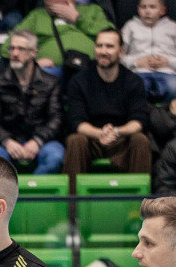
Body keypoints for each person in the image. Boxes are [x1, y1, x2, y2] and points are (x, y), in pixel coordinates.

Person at [64, 29, 153, 182]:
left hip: (122, 139)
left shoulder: (133, 81)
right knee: (75, 140)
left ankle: (140, 197)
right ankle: (73, 197)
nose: (103, 51)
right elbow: (76, 121)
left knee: (140, 140)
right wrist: (100, 133)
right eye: (99, 46)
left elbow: (139, 121)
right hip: (91, 139)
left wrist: (117, 132)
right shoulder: (79, 81)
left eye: (109, 46)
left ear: (121, 52)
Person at [0, 28, 66, 175]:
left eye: (21, 49)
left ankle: (34, 189)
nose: (15, 53)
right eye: (12, 48)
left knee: (55, 157)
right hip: (7, 140)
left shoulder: (51, 83)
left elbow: (57, 119)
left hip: (42, 141)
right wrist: (7, 141)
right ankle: (11, 190)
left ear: (34, 52)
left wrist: (37, 141)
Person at [2, 0, 112, 74]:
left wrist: (77, 18)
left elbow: (112, 38)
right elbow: (7, 47)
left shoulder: (92, 10)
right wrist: (33, 63)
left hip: (91, 69)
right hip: (51, 72)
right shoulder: (36, 16)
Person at [122, 0, 176, 101]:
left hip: (167, 72)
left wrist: (169, 62)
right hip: (139, 72)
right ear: (138, 10)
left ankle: (167, 111)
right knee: (136, 88)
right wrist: (136, 62)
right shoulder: (130, 26)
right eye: (143, 7)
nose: (147, 11)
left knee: (173, 88)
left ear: (162, 10)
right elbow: (118, 54)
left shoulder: (172, 27)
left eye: (152, 7)